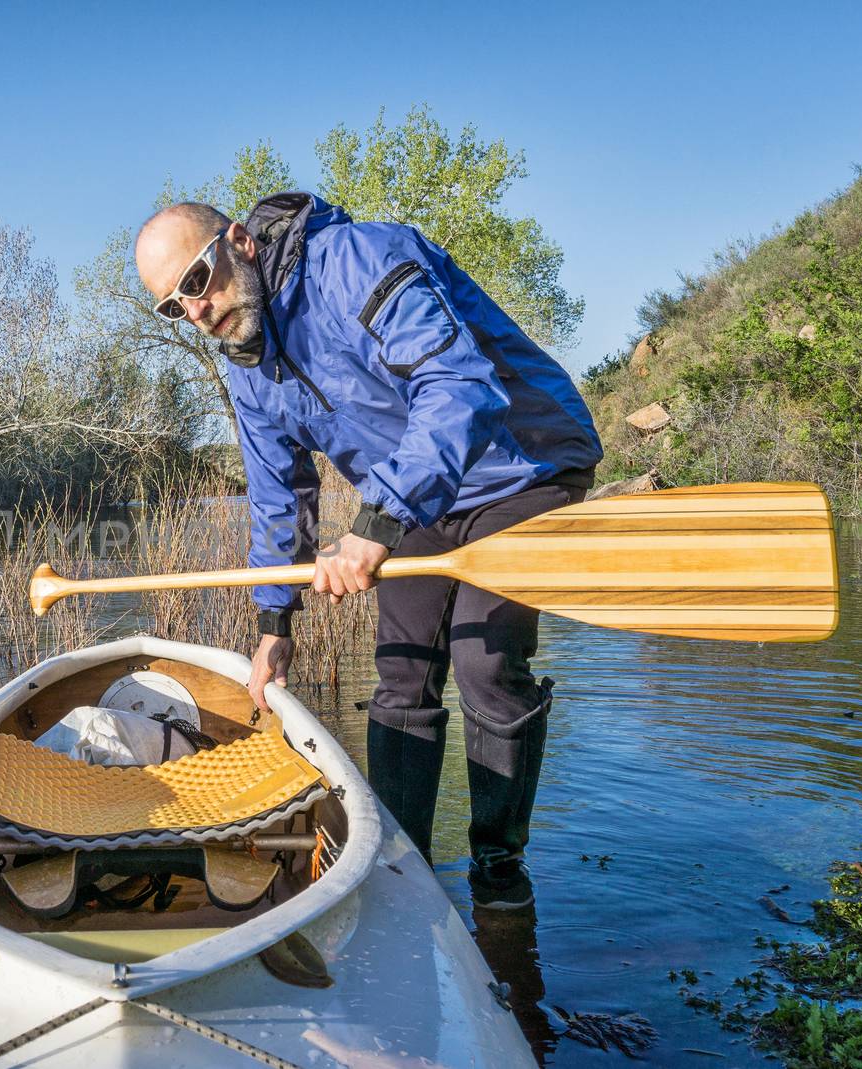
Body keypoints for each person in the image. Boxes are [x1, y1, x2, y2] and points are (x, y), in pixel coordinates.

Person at [134, 193, 602, 909]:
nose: (193, 310)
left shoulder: (357, 261)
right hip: (421, 494)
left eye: (195, 281)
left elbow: (460, 389)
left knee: (484, 660)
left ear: (238, 244)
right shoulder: (247, 367)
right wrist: (274, 624)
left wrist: (374, 524)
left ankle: (498, 872)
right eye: (172, 306)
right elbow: (278, 495)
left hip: (524, 463)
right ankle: (400, 867)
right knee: (403, 671)